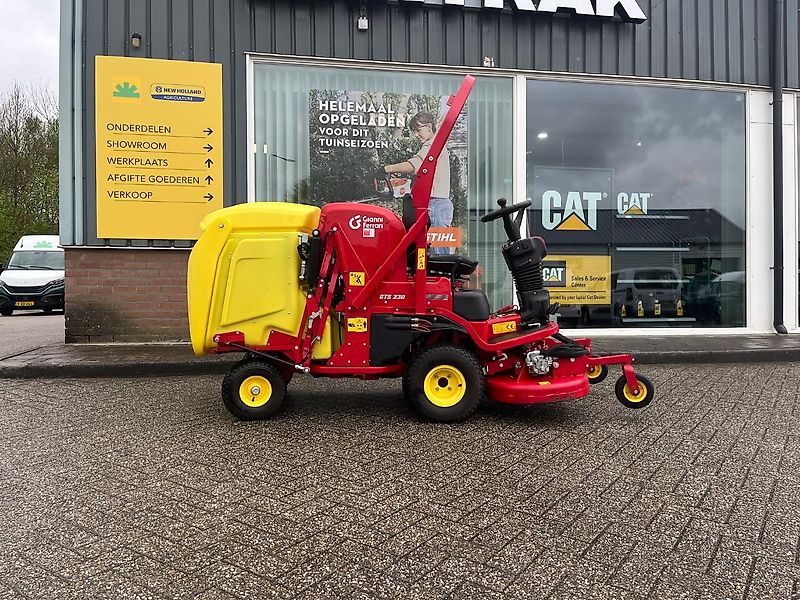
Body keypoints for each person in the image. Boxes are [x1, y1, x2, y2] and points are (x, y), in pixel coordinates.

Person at [382, 112, 453, 255]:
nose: (416, 134)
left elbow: (415, 165)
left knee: (439, 255)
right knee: (437, 253)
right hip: (438, 205)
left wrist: (386, 169)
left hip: (436, 205)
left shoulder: (433, 146)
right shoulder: (436, 146)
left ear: (429, 127)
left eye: (418, 130)